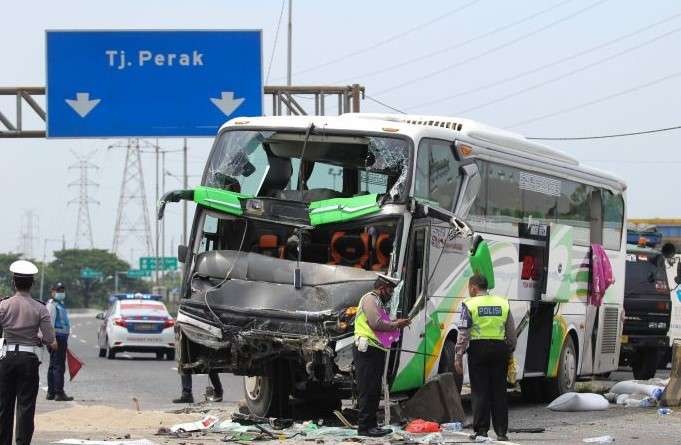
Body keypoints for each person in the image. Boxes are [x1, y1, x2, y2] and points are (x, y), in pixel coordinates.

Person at [0, 260, 57, 445]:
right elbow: (50, 340)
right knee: (26, 407)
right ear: (32, 284)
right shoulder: (40, 308)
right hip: (28, 360)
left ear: (13, 282)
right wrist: (44, 340)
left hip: (5, 358)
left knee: (3, 406)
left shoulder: (3, 305)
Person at [454, 274, 517, 442]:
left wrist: (458, 355)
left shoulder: (469, 304)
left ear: (474, 287)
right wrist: (509, 351)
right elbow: (511, 332)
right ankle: (502, 432)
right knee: (499, 392)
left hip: (478, 349)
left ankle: (481, 431)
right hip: (499, 350)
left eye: (469, 288)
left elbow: (463, 332)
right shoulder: (502, 303)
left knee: (480, 391)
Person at [353, 273, 410, 437]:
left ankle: (371, 425)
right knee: (368, 388)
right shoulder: (370, 299)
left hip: (374, 349)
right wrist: (395, 324)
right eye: (390, 290)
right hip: (366, 349)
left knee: (373, 389)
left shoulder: (378, 302)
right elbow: (375, 323)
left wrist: (395, 325)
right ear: (381, 288)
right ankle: (365, 427)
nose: (391, 294)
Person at [46, 282, 74, 401]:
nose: (61, 293)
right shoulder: (52, 305)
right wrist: (52, 339)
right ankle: (59, 392)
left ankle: (51, 392)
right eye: (58, 291)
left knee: (53, 365)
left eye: (62, 291)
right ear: (52, 292)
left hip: (60, 338)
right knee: (58, 366)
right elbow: (49, 323)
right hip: (57, 339)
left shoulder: (60, 304)